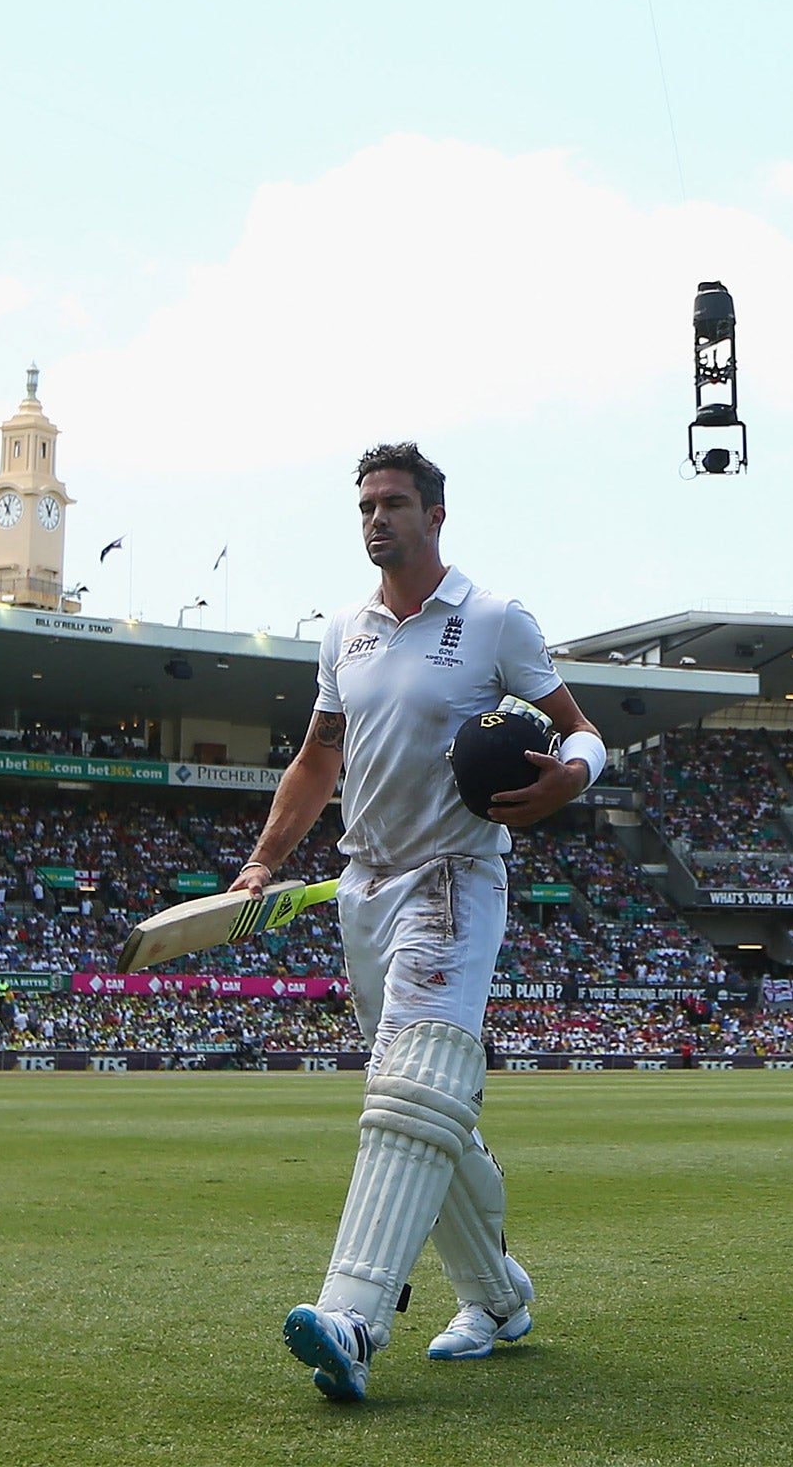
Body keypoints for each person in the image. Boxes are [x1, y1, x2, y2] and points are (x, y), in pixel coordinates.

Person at [227, 442, 604, 1403]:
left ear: (435, 514)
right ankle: (497, 1294)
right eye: (365, 505)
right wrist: (265, 861)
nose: (375, 518)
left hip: (455, 876)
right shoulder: (344, 633)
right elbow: (318, 761)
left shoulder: (491, 619)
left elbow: (581, 728)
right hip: (365, 888)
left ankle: (351, 1317)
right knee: (427, 1106)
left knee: (407, 1097)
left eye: (393, 502)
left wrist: (570, 777)